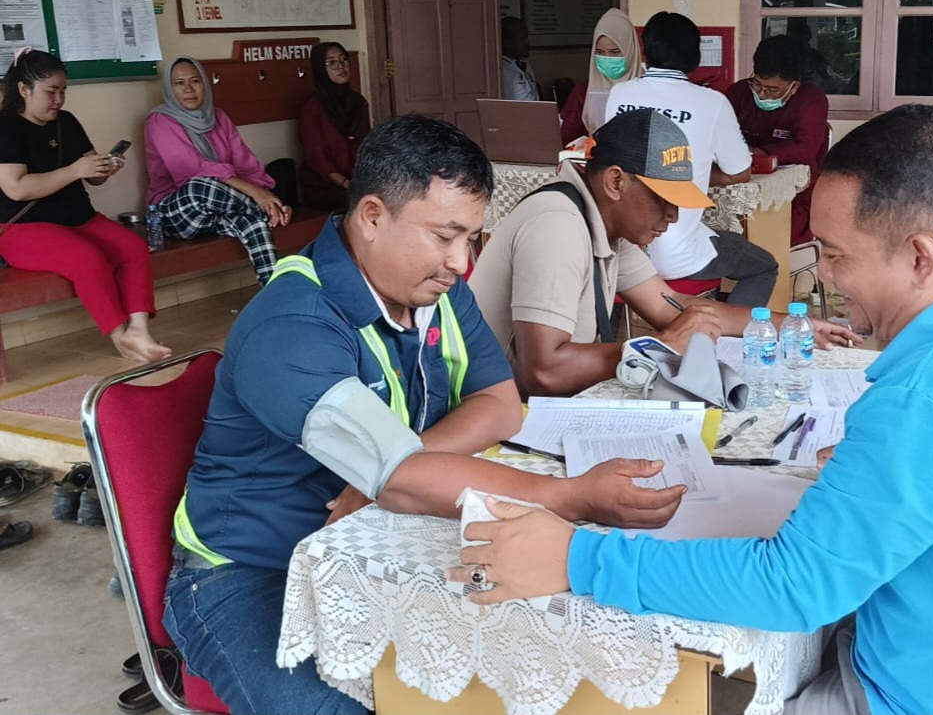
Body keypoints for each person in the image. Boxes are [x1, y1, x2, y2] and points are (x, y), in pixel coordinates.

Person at [455, 105, 933, 715]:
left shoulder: (929, 398)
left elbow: (793, 587)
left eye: (835, 255)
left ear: (919, 257)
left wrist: (577, 556)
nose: (827, 276)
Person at [161, 114, 686, 715]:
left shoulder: (434, 290)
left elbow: (500, 407)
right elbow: (405, 478)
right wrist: (567, 496)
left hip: (373, 547)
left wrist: (389, 469)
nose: (461, 262)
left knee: (523, 660)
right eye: (444, 236)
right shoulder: (293, 325)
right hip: (249, 573)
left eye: (471, 239)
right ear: (372, 216)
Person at [470, 108, 855, 397]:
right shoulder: (557, 223)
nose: (673, 216)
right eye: (662, 200)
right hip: (503, 409)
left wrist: (787, 325)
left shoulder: (606, 223)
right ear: (616, 182)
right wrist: (660, 346)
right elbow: (543, 372)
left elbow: (674, 306)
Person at [0, 48, 170, 362]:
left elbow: (92, 176)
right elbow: (16, 188)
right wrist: (75, 170)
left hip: (79, 218)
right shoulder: (6, 127)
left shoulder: (66, 121)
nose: (59, 100)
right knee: (87, 258)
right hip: (22, 227)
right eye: (51, 92)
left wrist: (103, 169)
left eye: (63, 91)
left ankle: (139, 330)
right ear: (24, 89)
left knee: (133, 248)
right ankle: (121, 337)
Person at [606, 12, 777, 307]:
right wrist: (690, 171)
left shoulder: (619, 94)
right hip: (678, 257)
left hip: (622, 254)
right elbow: (740, 172)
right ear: (696, 56)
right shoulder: (711, 102)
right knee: (764, 267)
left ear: (645, 52)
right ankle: (730, 330)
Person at [145, 57, 289, 287]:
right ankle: (268, 211)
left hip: (219, 210)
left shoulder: (219, 117)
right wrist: (259, 196)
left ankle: (275, 293)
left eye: (195, 81)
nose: (189, 89)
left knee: (253, 224)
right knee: (199, 185)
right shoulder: (159, 121)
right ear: (169, 89)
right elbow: (190, 168)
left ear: (205, 83)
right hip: (176, 214)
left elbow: (246, 164)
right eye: (179, 83)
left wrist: (262, 192)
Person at [727, 35, 829, 246]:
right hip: (738, 185)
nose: (763, 95)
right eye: (757, 85)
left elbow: (805, 149)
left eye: (773, 90)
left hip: (793, 195)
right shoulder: (738, 93)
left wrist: (760, 153)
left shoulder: (811, 100)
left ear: (794, 86)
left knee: (765, 238)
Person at [299, 41, 371, 212]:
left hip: (356, 178)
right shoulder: (313, 107)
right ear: (320, 69)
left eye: (344, 59)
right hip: (325, 184)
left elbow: (367, 143)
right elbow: (317, 157)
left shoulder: (358, 102)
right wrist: (347, 184)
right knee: (363, 205)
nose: (341, 66)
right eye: (332, 62)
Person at [559, 9, 644, 144]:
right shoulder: (583, 92)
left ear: (630, 50)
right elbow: (564, 137)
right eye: (600, 52)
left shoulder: (648, 89)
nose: (607, 58)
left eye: (615, 52)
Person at [500, 17, 539, 101]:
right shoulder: (501, 70)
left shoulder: (524, 64)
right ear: (507, 42)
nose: (528, 41)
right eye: (523, 38)